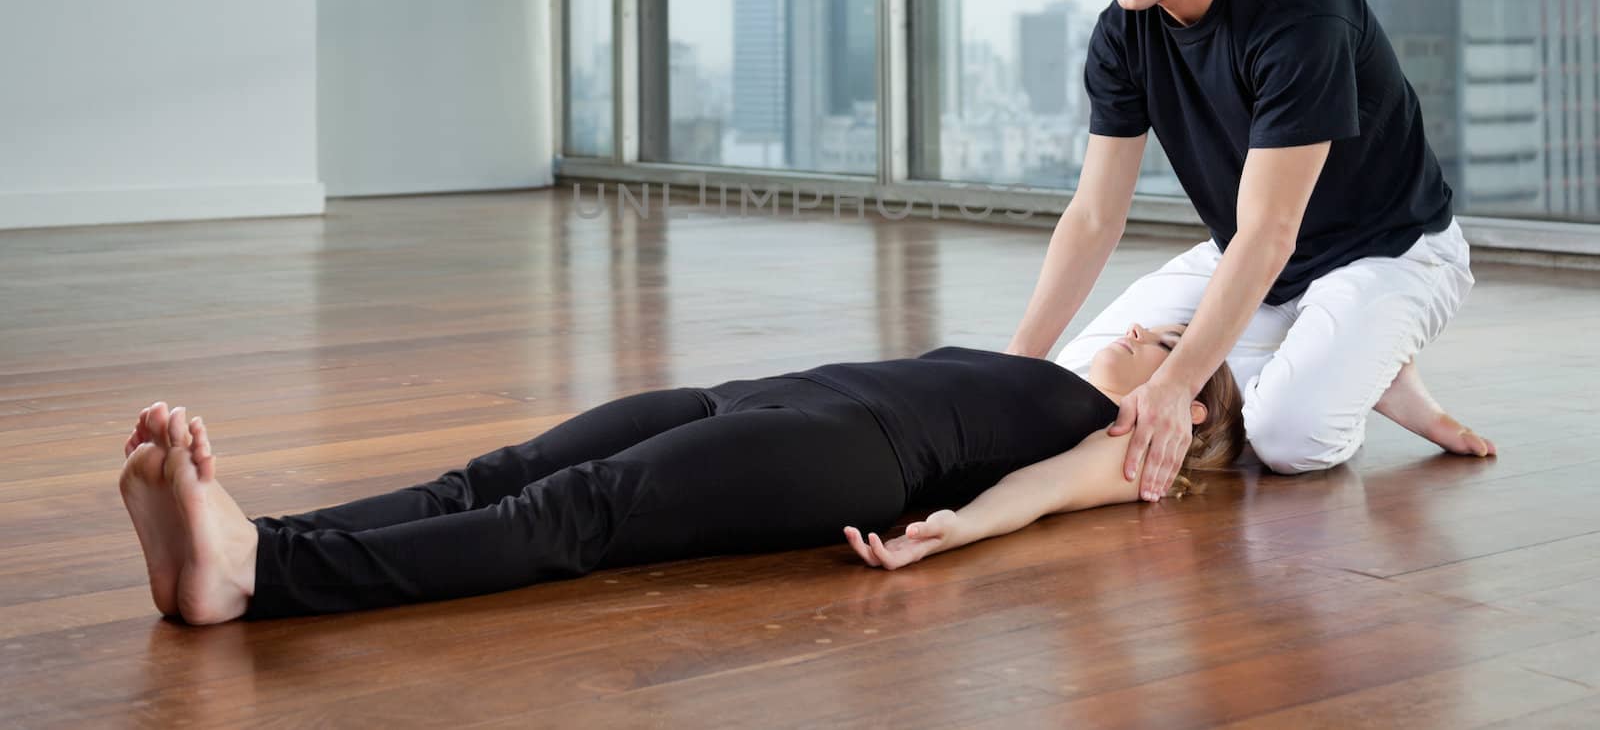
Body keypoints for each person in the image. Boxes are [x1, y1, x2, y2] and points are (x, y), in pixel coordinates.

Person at [1005, 0, 1495, 501]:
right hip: (1253, 252)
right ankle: (1347, 355)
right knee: (1079, 377)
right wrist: (1014, 368)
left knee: (1287, 438)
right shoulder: (1123, 33)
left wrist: (1176, 384)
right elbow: (1093, 216)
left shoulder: (1299, 13)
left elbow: (1271, 229)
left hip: (1390, 251)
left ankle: (1363, 359)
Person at [121, 324, 1246, 624]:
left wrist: (942, 532)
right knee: (500, 468)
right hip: (759, 394)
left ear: (1190, 404)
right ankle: (249, 540)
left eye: (1168, 341)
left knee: (572, 513)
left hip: (841, 454)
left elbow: (1038, 495)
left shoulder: (1132, 444)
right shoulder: (1053, 373)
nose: (1148, 327)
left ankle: (260, 573)